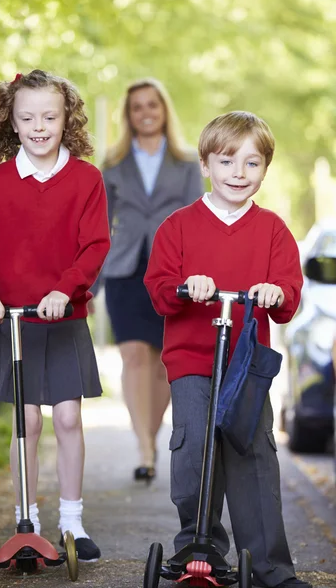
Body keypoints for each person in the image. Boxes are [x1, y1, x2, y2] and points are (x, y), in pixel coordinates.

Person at [144, 111, 312, 588]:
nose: (239, 174)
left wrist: (277, 293)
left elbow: (288, 297)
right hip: (193, 359)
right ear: (205, 165)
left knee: (253, 452)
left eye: (252, 164)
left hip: (245, 364)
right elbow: (158, 290)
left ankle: (270, 567)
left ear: (264, 170)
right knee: (193, 446)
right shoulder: (178, 227)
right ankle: (201, 546)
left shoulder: (273, 231)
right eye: (226, 161)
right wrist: (185, 286)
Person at [0, 69, 110, 562]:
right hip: (16, 321)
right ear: (12, 123)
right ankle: (29, 521)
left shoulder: (86, 178)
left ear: (67, 120)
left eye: (49, 116)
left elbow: (94, 245)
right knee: (27, 421)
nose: (39, 126)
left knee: (66, 417)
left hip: (61, 320)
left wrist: (66, 290)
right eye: (27, 117)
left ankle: (71, 521)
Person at [92, 78, 204, 482]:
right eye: (137, 107)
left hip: (172, 271)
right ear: (129, 115)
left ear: (164, 110)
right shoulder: (113, 165)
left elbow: (198, 221)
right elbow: (100, 229)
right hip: (124, 270)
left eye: (152, 105)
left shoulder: (189, 163)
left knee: (161, 364)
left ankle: (152, 438)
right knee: (133, 355)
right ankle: (143, 447)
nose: (145, 112)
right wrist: (90, 285)